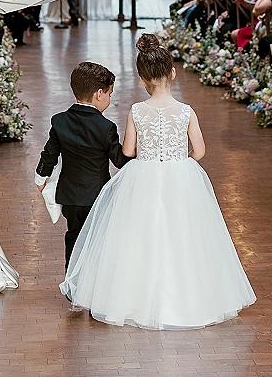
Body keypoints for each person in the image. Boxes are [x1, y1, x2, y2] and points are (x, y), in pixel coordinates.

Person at [60, 34, 256, 329]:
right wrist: (179, 158)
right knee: (185, 234)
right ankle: (190, 298)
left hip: (143, 175)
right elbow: (200, 151)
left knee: (140, 234)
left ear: (141, 79)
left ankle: (133, 298)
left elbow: (127, 151)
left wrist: (149, 152)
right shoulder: (186, 111)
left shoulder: (137, 110)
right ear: (173, 73)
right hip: (181, 174)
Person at [35, 62, 130, 269]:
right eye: (109, 94)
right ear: (98, 94)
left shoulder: (60, 121)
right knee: (96, 237)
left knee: (73, 234)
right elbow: (120, 161)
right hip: (96, 196)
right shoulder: (106, 127)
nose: (109, 99)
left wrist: (41, 177)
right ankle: (91, 278)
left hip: (70, 196)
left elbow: (50, 152)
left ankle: (71, 277)